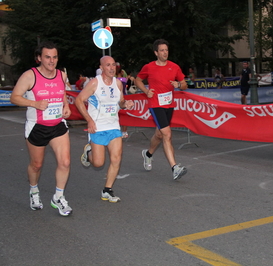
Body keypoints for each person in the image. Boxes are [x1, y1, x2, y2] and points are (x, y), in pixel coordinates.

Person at [10, 41, 73, 216]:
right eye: (47, 57)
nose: (52, 61)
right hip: (37, 127)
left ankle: (58, 197)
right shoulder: (30, 76)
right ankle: (34, 191)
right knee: (36, 165)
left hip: (58, 125)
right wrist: (34, 103)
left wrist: (66, 106)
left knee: (65, 162)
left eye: (54, 57)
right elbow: (14, 97)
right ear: (39, 58)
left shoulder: (62, 75)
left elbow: (62, 93)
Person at [75, 56, 134, 203]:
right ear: (101, 68)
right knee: (98, 163)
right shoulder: (95, 83)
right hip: (98, 127)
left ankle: (107, 190)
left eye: (113, 65)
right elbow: (78, 100)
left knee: (116, 159)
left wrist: (125, 104)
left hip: (113, 126)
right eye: (108, 65)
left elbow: (120, 103)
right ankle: (88, 153)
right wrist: (89, 120)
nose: (112, 68)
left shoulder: (118, 84)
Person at [134, 39, 188, 180]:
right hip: (155, 104)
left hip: (169, 105)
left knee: (159, 135)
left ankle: (148, 154)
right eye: (162, 50)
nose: (165, 52)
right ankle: (174, 168)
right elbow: (137, 80)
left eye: (166, 50)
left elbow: (184, 85)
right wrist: (146, 92)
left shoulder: (174, 67)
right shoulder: (149, 67)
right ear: (156, 53)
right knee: (167, 134)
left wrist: (178, 84)